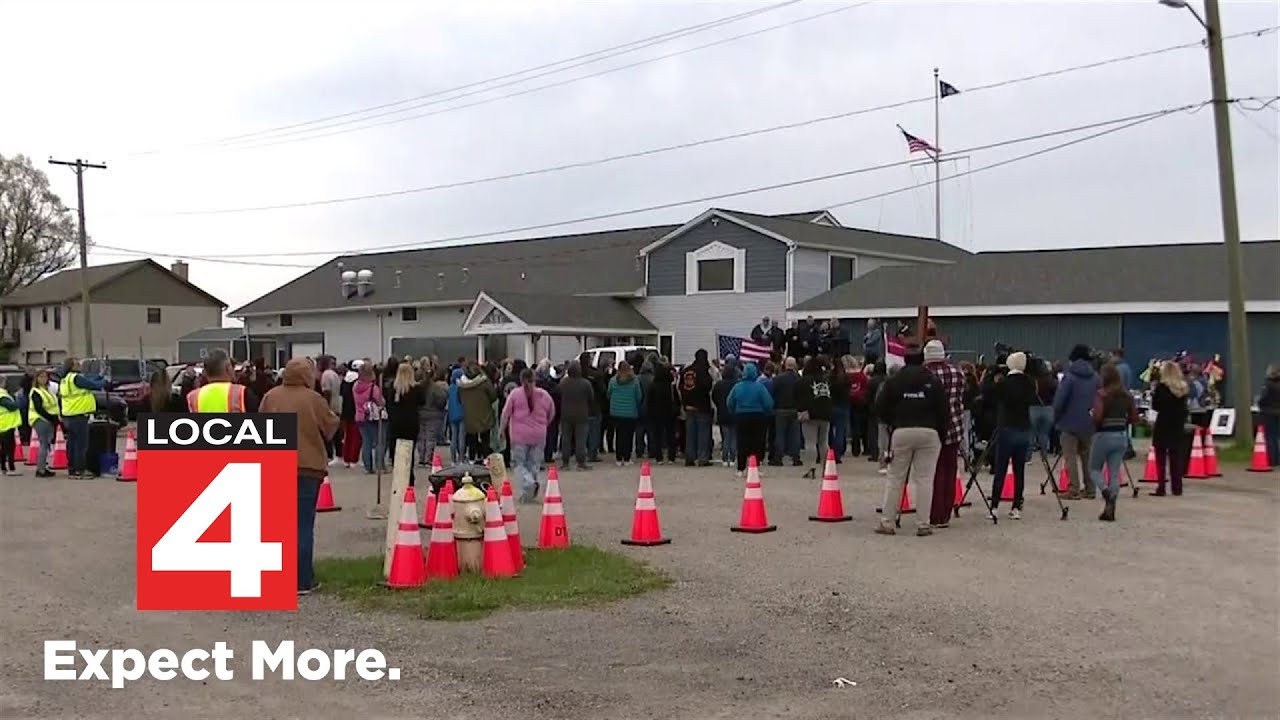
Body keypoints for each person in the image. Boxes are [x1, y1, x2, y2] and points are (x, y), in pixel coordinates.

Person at [260, 357, 339, 596]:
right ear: (307, 376)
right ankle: (302, 580)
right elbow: (331, 425)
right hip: (308, 467)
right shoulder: (313, 399)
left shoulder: (270, 397)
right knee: (303, 524)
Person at [874, 346, 947, 536]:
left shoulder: (894, 381)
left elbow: (880, 406)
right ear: (923, 359)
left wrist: (892, 423)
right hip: (929, 431)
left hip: (902, 430)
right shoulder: (932, 381)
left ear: (904, 360)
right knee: (924, 479)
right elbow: (943, 409)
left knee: (895, 478)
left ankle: (887, 521)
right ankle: (923, 524)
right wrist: (941, 433)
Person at [924, 340, 965, 529]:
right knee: (950, 470)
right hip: (955, 425)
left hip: (933, 427)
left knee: (934, 472)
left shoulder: (926, 374)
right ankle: (945, 514)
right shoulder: (957, 371)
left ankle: (934, 513)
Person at [990, 352, 1037, 520]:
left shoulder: (1005, 383)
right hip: (1024, 428)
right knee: (1019, 469)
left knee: (1001, 467)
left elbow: (990, 395)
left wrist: (993, 377)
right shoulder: (1030, 383)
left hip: (1007, 427)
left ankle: (995, 505)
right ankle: (1017, 505)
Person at [1090, 363, 1138, 521]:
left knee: (1094, 469)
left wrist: (1091, 417)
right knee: (1114, 473)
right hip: (1121, 435)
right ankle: (1111, 506)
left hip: (1103, 435)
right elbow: (1134, 418)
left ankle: (1106, 493)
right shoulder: (1127, 395)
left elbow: (1097, 417)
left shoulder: (1102, 394)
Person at [1053, 345, 1101, 500]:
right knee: (1087, 457)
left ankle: (1073, 489)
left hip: (1069, 422)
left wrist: (1056, 416)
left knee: (1070, 456)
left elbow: (1060, 400)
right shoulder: (1095, 377)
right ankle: (1090, 489)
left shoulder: (1070, 376)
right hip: (1089, 421)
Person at [501, 367, 555, 502]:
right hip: (539, 434)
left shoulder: (514, 394)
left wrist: (502, 429)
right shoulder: (544, 395)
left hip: (519, 435)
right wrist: (544, 425)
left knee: (519, 464)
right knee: (534, 464)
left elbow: (506, 414)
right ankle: (528, 494)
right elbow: (552, 412)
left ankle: (529, 484)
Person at [57, 357, 106, 479]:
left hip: (69, 414)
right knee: (81, 444)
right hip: (79, 415)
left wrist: (99, 376)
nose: (80, 365)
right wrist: (104, 381)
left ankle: (72, 469)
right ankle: (80, 469)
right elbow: (92, 385)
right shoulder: (76, 378)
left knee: (72, 444)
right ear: (72, 366)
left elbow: (89, 381)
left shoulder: (65, 379)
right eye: (77, 363)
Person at [727, 362, 774, 477]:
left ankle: (741, 468)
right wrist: (767, 412)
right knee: (757, 442)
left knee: (742, 442)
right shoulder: (759, 387)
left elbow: (729, 402)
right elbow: (768, 403)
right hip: (758, 416)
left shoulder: (737, 387)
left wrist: (733, 411)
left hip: (741, 416)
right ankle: (755, 467)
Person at [1150, 361, 1190, 497]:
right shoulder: (1183, 389)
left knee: (1160, 457)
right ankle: (1177, 487)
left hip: (1163, 423)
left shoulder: (1161, 388)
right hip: (1177, 425)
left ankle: (1161, 486)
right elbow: (1185, 409)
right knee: (1175, 457)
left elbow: (1155, 406)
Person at [386, 362, 425, 484]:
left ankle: (398, 475)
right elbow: (422, 402)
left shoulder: (392, 389)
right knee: (410, 451)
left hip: (395, 424)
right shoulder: (416, 389)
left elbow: (388, 405)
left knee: (396, 451)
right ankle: (409, 476)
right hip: (411, 423)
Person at [679, 349, 715, 467]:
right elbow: (707, 386)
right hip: (702, 406)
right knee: (703, 434)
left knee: (690, 433)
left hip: (688, 406)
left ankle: (689, 457)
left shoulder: (686, 371)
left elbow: (681, 387)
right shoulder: (703, 372)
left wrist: (685, 402)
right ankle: (702, 457)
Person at [458, 361, 497, 462]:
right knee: (485, 439)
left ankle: (471, 460)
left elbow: (459, 399)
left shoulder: (462, 384)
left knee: (472, 439)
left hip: (469, 415)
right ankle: (485, 459)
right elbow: (493, 395)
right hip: (484, 413)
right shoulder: (484, 382)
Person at [797, 356, 832, 469]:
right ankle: (825, 468)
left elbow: (798, 397)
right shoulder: (825, 381)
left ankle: (811, 467)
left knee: (810, 442)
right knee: (823, 443)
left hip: (809, 414)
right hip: (826, 414)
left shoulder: (804, 381)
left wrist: (801, 411)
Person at [558, 361, 594, 470]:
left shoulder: (563, 383)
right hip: (581, 414)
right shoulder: (586, 383)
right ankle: (581, 462)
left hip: (566, 414)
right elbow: (591, 398)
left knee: (566, 439)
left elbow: (557, 393)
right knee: (581, 439)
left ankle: (565, 462)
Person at [607, 361, 643, 466]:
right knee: (629, 436)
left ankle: (619, 458)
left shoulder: (613, 381)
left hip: (616, 412)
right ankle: (627, 458)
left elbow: (608, 394)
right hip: (630, 412)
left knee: (619, 435)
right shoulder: (635, 381)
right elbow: (639, 396)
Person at [353, 363, 386, 474]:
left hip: (359, 417)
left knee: (366, 442)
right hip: (372, 417)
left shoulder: (355, 386)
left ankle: (368, 466)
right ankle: (379, 465)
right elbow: (381, 402)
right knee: (378, 442)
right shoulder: (373, 388)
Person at [769, 357, 802, 466]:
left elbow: (772, 393)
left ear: (785, 365)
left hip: (780, 409)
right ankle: (796, 458)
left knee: (780, 434)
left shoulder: (778, 379)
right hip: (794, 409)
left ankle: (778, 458)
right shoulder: (799, 379)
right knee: (795, 435)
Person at [27, 368, 59, 478]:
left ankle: (43, 467)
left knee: (46, 444)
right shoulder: (36, 391)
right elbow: (39, 408)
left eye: (45, 376)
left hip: (47, 419)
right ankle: (41, 469)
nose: (44, 379)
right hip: (41, 419)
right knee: (44, 444)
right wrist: (51, 418)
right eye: (41, 377)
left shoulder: (46, 390)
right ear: (36, 379)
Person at [646, 357, 678, 464]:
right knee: (670, 435)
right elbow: (676, 399)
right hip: (670, 412)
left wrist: (649, 412)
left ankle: (659, 457)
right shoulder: (671, 386)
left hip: (656, 413)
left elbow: (649, 400)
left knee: (657, 436)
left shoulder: (653, 385)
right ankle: (671, 457)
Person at [417, 367, 448, 467]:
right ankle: (428, 459)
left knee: (421, 437)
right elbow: (442, 401)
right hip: (433, 415)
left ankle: (421, 459)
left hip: (420, 414)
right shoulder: (436, 388)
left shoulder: (419, 387)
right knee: (430, 438)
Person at [712, 360, 740, 467]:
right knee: (733, 437)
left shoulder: (719, 385)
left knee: (725, 437)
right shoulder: (737, 385)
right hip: (734, 413)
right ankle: (732, 457)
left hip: (722, 412)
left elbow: (714, 396)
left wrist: (719, 405)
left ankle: (724, 457)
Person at [319, 357, 344, 466]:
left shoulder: (325, 375)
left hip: (331, 405)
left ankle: (330, 454)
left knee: (328, 430)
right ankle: (339, 453)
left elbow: (327, 391)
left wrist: (326, 407)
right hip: (337, 403)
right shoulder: (334, 374)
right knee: (337, 430)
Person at [826, 357, 850, 463]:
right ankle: (838, 453)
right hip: (843, 406)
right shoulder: (845, 378)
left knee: (830, 431)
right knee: (840, 431)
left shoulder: (829, 378)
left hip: (831, 406)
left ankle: (831, 450)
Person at [1258, 363, 1280, 467]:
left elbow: (1263, 398)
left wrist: (1260, 404)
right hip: (1278, 411)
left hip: (1268, 412)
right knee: (1276, 436)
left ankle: (1272, 459)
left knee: (1270, 436)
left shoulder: (1268, 384)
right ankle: (1277, 458)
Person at [0, 381, 20, 477]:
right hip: (7, 423)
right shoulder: (2, 395)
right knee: (10, 447)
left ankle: (3, 467)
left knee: (4, 447)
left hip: (3, 423)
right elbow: (12, 406)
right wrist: (17, 401)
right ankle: (11, 468)